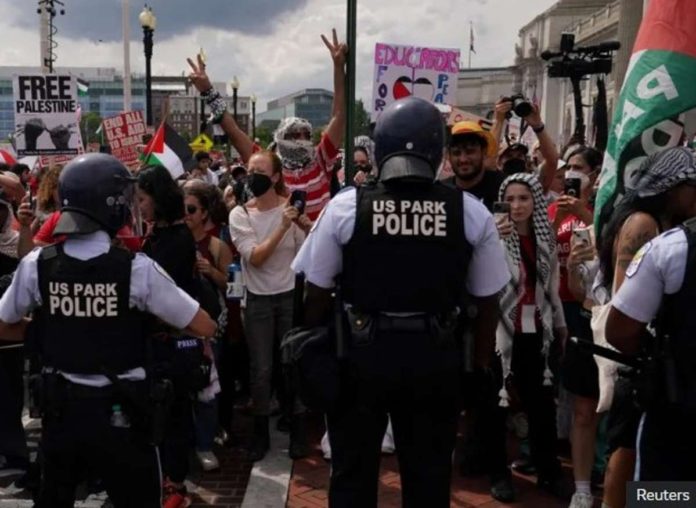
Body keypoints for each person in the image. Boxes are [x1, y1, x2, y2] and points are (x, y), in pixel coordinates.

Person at [292, 96, 510, 507]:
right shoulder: (470, 211)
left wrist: (317, 346)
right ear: (437, 151)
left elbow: (316, 290)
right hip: (436, 359)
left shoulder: (346, 206)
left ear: (378, 149)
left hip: (359, 359)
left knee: (352, 475)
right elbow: (488, 299)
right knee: (428, 477)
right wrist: (477, 369)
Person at [0, 153, 216, 507]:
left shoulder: (39, 263)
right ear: (113, 204)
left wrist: (52, 330)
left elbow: (3, 324)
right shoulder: (137, 269)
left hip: (61, 411)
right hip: (123, 414)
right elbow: (202, 325)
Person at [570, 147, 696, 507]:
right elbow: (623, 313)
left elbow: (626, 320)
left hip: (667, 384)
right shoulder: (648, 228)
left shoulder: (667, 237)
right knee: (633, 459)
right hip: (655, 379)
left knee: (651, 472)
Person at [186, 28, 347, 221]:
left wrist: (338, 67)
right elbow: (233, 130)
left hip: (318, 245)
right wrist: (208, 91)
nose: (302, 140)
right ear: (280, 139)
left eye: (306, 135)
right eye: (294, 136)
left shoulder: (320, 160)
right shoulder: (268, 166)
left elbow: (339, 115)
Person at [606, 149, 696, 482]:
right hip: (669, 391)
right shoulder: (662, 240)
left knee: (664, 488)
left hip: (676, 401)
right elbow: (622, 321)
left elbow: (622, 328)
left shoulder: (671, 245)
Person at [229, 150, 311, 461]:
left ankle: (298, 426)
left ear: (276, 177)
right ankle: (260, 432)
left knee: (292, 364)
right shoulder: (241, 215)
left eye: (261, 171)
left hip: (289, 296)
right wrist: (283, 226)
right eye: (250, 170)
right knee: (261, 368)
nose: (253, 176)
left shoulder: (289, 209)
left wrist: (304, 227)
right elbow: (257, 258)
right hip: (258, 300)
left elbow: (307, 255)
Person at [492, 173, 567, 501]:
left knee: (541, 408)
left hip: (538, 332)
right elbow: (483, 279)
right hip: (500, 336)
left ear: (536, 201)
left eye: (524, 198)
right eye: (510, 199)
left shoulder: (545, 239)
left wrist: (561, 327)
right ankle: (499, 474)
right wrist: (493, 240)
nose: (517, 205)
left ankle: (548, 472)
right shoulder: (492, 237)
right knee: (497, 407)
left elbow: (552, 291)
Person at [548, 146, 603, 508]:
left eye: (579, 168)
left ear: (596, 173)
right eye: (568, 167)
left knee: (606, 404)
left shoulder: (607, 209)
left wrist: (586, 214)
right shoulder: (556, 210)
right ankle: (582, 485)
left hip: (602, 314)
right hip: (567, 309)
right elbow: (541, 251)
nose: (571, 172)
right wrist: (557, 219)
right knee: (576, 399)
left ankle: (607, 470)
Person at [183, 183, 233, 467]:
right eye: (183, 209)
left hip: (211, 324)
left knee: (208, 384)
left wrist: (210, 271)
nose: (186, 215)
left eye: (191, 209)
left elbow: (232, 284)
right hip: (180, 325)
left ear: (204, 213)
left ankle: (206, 440)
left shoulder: (216, 245)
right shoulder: (171, 240)